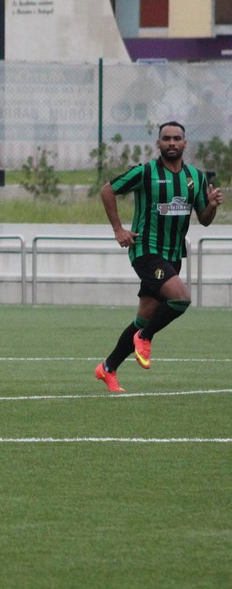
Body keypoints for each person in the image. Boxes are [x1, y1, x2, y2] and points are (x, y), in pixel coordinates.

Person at [95, 121, 223, 392]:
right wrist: (118, 229)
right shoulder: (145, 173)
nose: (172, 143)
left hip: (173, 255)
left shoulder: (195, 177)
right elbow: (107, 190)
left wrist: (211, 205)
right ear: (158, 143)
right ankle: (145, 337)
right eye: (166, 138)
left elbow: (205, 219)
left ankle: (108, 367)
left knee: (145, 316)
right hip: (146, 251)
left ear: (185, 143)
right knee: (181, 298)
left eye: (177, 138)